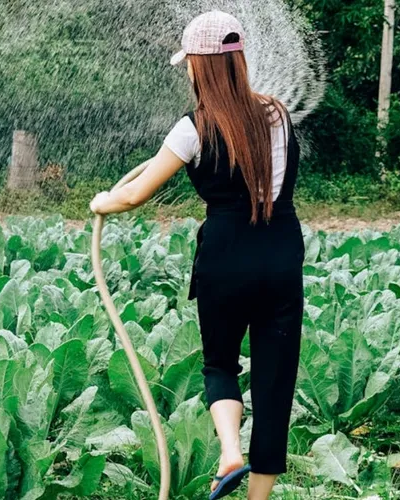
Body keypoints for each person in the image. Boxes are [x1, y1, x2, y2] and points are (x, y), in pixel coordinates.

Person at [89, 10, 304, 500]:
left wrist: (101, 201)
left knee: (220, 364)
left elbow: (132, 194)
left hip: (226, 259)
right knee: (275, 383)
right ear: (239, 61)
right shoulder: (279, 114)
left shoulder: (192, 129)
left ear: (200, 67)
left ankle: (230, 450)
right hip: (280, 257)